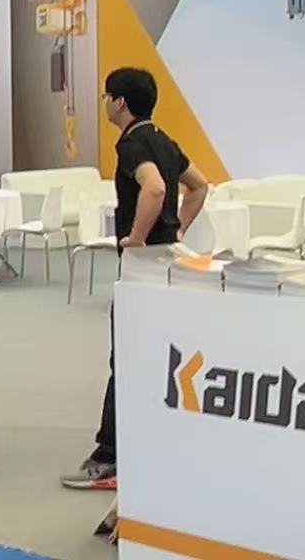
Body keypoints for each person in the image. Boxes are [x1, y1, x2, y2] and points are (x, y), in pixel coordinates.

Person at [61, 67, 209, 491]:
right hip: (170, 264)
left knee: (124, 356)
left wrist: (137, 236)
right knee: (160, 356)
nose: (104, 103)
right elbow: (199, 186)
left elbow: (155, 188)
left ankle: (109, 456)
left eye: (106, 96)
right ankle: (150, 443)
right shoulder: (164, 139)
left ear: (120, 102)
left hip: (143, 266)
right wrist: (178, 229)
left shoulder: (130, 144)